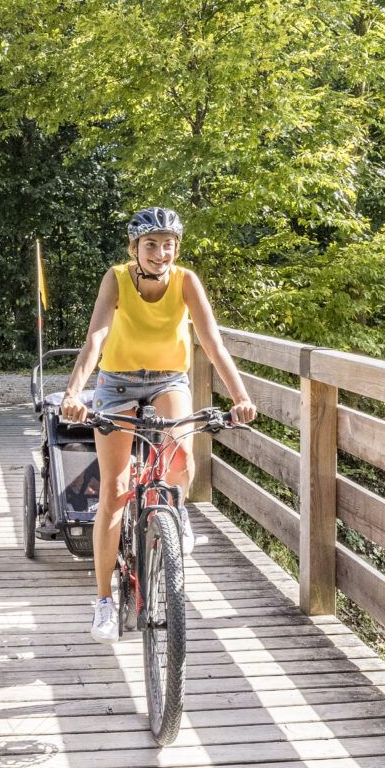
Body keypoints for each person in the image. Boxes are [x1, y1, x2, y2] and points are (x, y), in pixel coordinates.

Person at [58, 208, 259, 639]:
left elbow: (212, 341)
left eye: (168, 244)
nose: (161, 253)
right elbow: (96, 337)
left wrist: (241, 397)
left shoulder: (187, 282)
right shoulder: (115, 279)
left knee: (181, 451)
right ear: (134, 249)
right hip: (118, 382)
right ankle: (104, 601)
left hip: (169, 378)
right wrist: (74, 393)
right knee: (113, 490)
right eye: (151, 245)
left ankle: (175, 513)